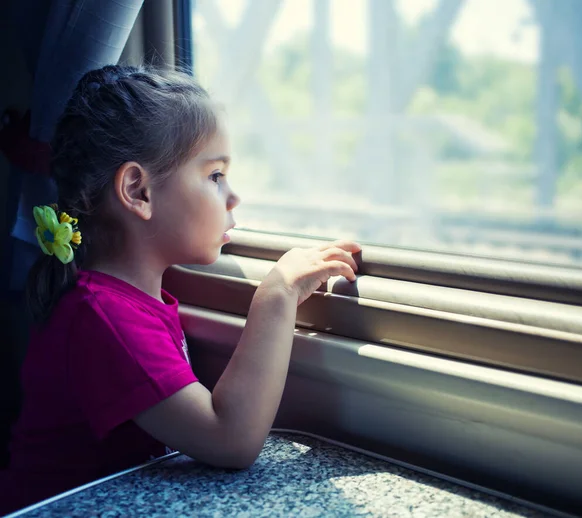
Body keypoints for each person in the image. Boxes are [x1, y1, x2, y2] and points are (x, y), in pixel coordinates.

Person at [0, 65, 360, 514]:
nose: (233, 198)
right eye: (214, 176)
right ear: (138, 191)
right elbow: (230, 440)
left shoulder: (124, 301)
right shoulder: (102, 316)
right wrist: (276, 296)